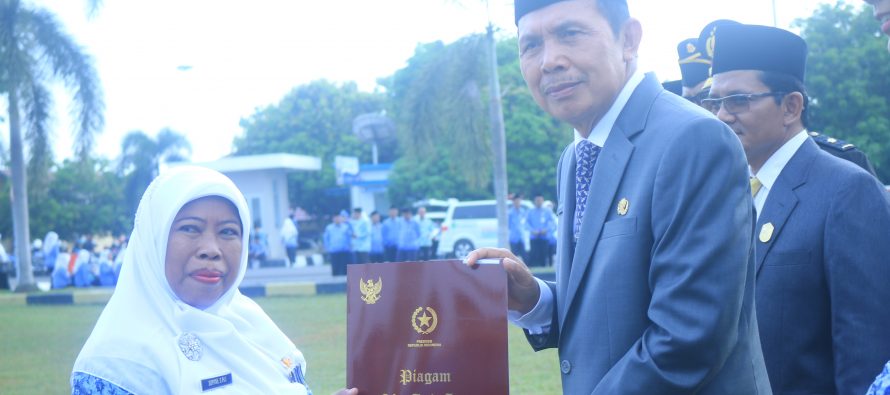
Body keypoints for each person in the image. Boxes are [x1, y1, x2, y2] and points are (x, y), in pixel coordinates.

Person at [466, 1, 770, 393]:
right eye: (531, 45)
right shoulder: (576, 156)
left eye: (569, 34)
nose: (549, 61)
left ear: (628, 39)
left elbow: (688, 337)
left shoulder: (692, 139)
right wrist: (535, 299)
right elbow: (609, 313)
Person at [705, 23, 890, 395]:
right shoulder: (728, 193)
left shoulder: (846, 191)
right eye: (715, 103)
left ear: (791, 106)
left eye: (739, 100)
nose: (723, 115)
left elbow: (865, 354)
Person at [71, 166, 355, 394]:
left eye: (229, 232)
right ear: (153, 240)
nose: (211, 249)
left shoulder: (250, 325)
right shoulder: (118, 364)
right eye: (190, 228)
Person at [524, 195, 555, 267]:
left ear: (543, 201)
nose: (539, 202)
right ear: (534, 201)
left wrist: (546, 229)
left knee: (544, 255)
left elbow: (553, 223)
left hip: (544, 237)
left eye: (540, 200)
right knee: (534, 254)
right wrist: (532, 230)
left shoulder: (547, 211)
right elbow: (526, 223)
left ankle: (543, 269)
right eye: (537, 200)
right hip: (534, 237)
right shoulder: (530, 211)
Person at [323, 211, 352, 276]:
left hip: (344, 251)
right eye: (336, 218)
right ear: (333, 219)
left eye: (339, 218)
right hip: (334, 251)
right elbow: (326, 239)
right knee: (335, 269)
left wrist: (349, 247)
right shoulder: (329, 228)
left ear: (341, 218)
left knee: (345, 270)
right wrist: (328, 248)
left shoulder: (346, 227)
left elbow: (350, 238)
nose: (337, 219)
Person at [507, 194, 527, 261]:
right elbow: (508, 225)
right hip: (513, 238)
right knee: (514, 257)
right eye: (516, 201)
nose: (518, 203)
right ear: (513, 202)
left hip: (521, 237)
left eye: (519, 201)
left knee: (524, 256)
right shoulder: (510, 213)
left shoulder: (523, 211)